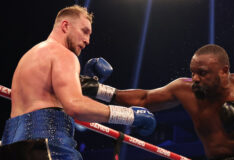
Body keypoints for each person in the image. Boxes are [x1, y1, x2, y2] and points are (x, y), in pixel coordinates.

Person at [82, 44, 234, 160]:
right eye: (193, 72)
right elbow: (144, 98)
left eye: (203, 73)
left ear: (224, 71)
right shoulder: (184, 89)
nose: (195, 78)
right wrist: (101, 90)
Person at [1, 5, 156, 160]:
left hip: (10, 145)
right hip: (47, 143)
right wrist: (129, 115)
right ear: (65, 25)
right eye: (84, 31)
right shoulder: (64, 55)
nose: (87, 40)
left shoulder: (29, 57)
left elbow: (51, 104)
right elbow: (75, 106)